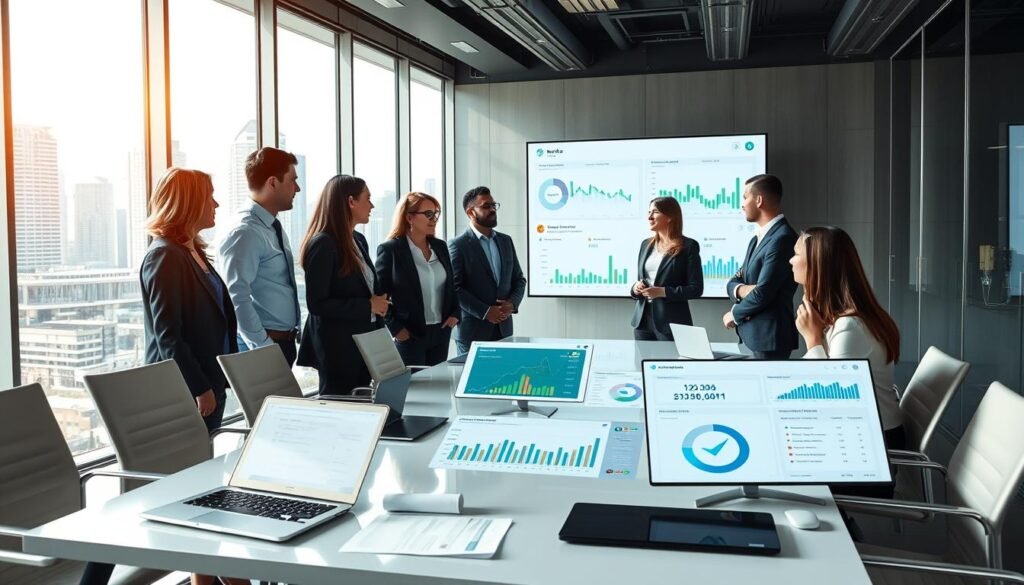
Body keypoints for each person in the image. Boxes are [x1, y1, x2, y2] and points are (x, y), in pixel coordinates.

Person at [81, 168, 245, 585]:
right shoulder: (164, 256)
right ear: (188, 203)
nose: (216, 204)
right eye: (209, 196)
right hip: (186, 393)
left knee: (198, 491)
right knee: (180, 490)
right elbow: (168, 334)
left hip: (207, 386)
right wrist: (201, 387)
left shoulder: (193, 253)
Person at [791, 225, 904, 450]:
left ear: (817, 265)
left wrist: (812, 340)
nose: (791, 261)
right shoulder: (838, 319)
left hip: (871, 447)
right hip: (859, 434)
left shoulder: (850, 327)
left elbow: (831, 401)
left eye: (796, 254)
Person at [296, 175, 388, 395]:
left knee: (363, 405)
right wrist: (368, 306)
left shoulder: (358, 240)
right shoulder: (323, 244)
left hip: (363, 342)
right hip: (337, 348)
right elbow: (317, 304)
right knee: (341, 411)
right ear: (350, 201)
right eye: (367, 198)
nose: (372, 205)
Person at [219, 147, 302, 366]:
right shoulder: (245, 231)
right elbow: (236, 297)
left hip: (281, 343)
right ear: (273, 182)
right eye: (293, 181)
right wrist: (263, 347)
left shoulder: (270, 225)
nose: (298, 188)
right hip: (262, 347)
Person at [375, 192, 459, 366]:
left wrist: (455, 314)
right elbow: (380, 296)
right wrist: (397, 329)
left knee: (436, 387)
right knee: (414, 389)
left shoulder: (440, 247)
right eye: (428, 214)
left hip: (441, 331)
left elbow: (452, 285)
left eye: (436, 213)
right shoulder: (391, 250)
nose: (434, 219)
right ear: (409, 217)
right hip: (410, 334)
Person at [723, 174, 799, 359]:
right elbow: (734, 280)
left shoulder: (782, 238)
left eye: (745, 198)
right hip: (753, 335)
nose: (742, 204)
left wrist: (734, 313)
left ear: (758, 200)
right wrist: (741, 289)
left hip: (769, 337)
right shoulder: (756, 239)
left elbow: (764, 292)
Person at [448, 186, 526, 355]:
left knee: (505, 380)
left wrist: (512, 303)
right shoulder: (458, 245)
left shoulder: (506, 241)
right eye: (486, 206)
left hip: (503, 330)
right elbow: (455, 288)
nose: (492, 209)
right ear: (470, 212)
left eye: (493, 205)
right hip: (472, 333)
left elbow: (519, 279)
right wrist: (485, 312)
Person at [629, 197, 703, 340]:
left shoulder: (688, 246)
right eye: (649, 212)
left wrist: (662, 292)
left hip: (671, 323)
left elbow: (696, 288)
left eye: (655, 212)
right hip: (642, 321)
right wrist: (635, 288)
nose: (649, 217)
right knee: (641, 362)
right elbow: (642, 279)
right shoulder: (645, 245)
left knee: (671, 363)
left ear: (669, 217)